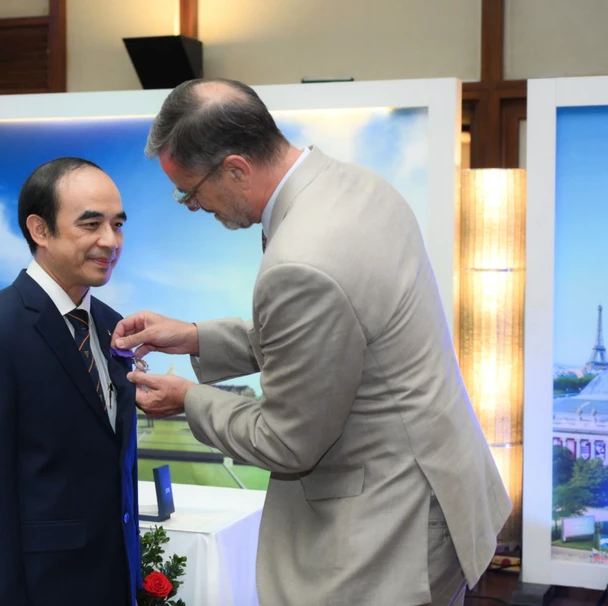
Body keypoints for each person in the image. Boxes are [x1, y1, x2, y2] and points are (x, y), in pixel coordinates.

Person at [111, 79, 511, 606]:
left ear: (235, 168)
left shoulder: (301, 261)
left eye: (190, 190)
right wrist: (193, 338)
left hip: (388, 525)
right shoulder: (353, 185)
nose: (190, 206)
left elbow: (286, 441)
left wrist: (188, 400)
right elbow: (337, 336)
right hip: (436, 489)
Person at [0, 157, 142, 605]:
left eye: (118, 224)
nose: (110, 241)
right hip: (42, 588)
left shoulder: (111, 326)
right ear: (40, 229)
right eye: (91, 224)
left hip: (114, 581)